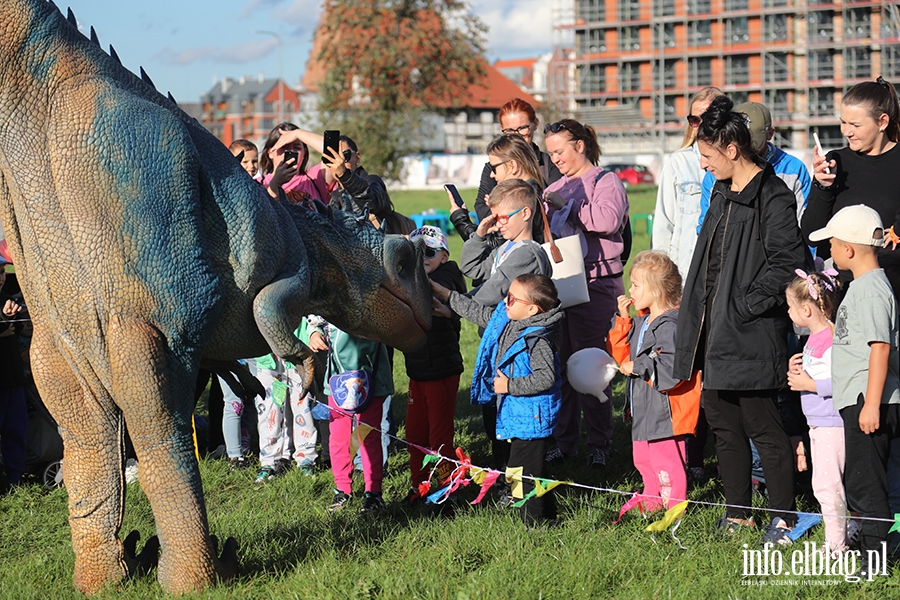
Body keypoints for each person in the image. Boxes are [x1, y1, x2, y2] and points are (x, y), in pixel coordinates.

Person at [672, 95, 808, 544]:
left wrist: (744, 305)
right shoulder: (720, 190)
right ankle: (738, 514)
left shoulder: (774, 195)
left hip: (752, 333)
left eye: (708, 156)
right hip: (715, 333)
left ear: (732, 150)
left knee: (763, 428)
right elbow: (709, 261)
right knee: (723, 424)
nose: (704, 165)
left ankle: (784, 517)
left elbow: (789, 262)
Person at [432, 179, 551, 497]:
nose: (498, 223)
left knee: (514, 419)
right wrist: (480, 233)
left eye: (503, 217)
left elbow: (489, 294)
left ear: (525, 213)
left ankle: (518, 487)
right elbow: (473, 267)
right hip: (497, 341)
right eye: (495, 218)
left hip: (518, 349)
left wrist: (448, 299)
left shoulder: (527, 254)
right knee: (495, 415)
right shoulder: (505, 248)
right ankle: (506, 479)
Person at [808, 205, 900, 576]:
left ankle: (873, 562)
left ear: (848, 249)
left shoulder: (872, 290)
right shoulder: (862, 286)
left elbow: (880, 347)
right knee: (873, 481)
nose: (828, 249)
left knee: (865, 484)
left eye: (831, 242)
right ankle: (883, 549)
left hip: (869, 400)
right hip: (863, 399)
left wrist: (872, 404)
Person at [542, 118, 629, 468]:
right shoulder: (557, 186)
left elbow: (608, 220)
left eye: (559, 151)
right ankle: (564, 442)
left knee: (591, 369)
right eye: (550, 154)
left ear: (579, 145)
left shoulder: (606, 181)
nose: (556, 159)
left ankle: (599, 444)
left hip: (596, 285)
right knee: (562, 368)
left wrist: (570, 206)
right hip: (562, 286)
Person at [446, 274, 564, 525]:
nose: (505, 301)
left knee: (521, 473)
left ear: (532, 309)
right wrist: (447, 297)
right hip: (521, 416)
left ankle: (534, 523)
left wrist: (509, 385)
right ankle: (547, 516)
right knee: (531, 470)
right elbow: (482, 315)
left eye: (511, 298)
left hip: (532, 420)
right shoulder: (514, 323)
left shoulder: (538, 339)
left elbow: (546, 378)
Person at [608, 251, 700, 512]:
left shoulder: (670, 325)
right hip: (643, 407)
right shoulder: (642, 320)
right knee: (643, 458)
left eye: (636, 285)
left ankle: (673, 507)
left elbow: (672, 368)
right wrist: (623, 321)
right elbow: (623, 356)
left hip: (664, 410)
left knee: (666, 461)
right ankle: (652, 499)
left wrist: (639, 366)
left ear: (657, 291)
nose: (630, 290)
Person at [802, 77, 900, 294]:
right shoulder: (837, 162)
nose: (846, 131)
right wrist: (822, 185)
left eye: (855, 125)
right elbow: (810, 233)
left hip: (891, 291)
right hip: (841, 291)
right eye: (843, 122)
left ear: (882, 122)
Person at [785, 267, 858, 557]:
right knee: (836, 484)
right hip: (820, 425)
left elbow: (841, 380)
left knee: (827, 487)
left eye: (791, 307)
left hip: (831, 425)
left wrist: (809, 384)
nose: (788, 312)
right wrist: (798, 370)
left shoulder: (831, 339)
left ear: (806, 309)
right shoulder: (815, 340)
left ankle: (836, 546)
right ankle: (854, 529)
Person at [402, 226, 466, 501]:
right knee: (415, 434)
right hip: (418, 371)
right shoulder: (415, 277)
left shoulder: (446, 277)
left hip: (441, 370)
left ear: (444, 256)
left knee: (440, 436)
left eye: (429, 251)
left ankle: (445, 488)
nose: (423, 257)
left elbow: (424, 299)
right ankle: (420, 485)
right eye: (417, 252)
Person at [310, 319, 393, 513]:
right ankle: (342, 489)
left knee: (367, 436)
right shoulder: (329, 293)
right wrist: (313, 332)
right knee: (339, 437)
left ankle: (373, 493)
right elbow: (314, 315)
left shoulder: (373, 293)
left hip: (371, 378)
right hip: (339, 382)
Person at [698, 101, 811, 229]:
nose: (747, 150)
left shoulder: (794, 170)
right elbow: (705, 227)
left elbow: (805, 226)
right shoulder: (717, 172)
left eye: (752, 145)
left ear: (770, 134)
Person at [652, 86, 724, 276]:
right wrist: (661, 280)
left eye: (706, 119)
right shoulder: (678, 163)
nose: (699, 125)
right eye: (694, 120)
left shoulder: (736, 162)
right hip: (684, 274)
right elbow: (663, 225)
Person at [471, 98, 561, 225]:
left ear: (535, 123)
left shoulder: (550, 164)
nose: (516, 136)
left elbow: (553, 211)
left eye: (522, 128)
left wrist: (498, 208)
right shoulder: (492, 168)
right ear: (501, 128)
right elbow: (482, 211)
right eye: (509, 131)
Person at [450, 134, 547, 242]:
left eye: (494, 167)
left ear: (512, 165)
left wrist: (460, 219)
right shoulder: (533, 191)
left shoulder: (523, 197)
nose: (491, 174)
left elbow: (492, 248)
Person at [0, 261, 27, 492]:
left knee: (16, 429)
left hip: (12, 379)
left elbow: (17, 331)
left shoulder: (5, 299)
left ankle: (15, 479)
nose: (0, 278)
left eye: (1, 272)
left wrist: (12, 316)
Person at [257, 122, 330, 205]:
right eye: (284, 147)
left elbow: (336, 153)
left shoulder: (316, 178)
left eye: (297, 147)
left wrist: (298, 133)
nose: (291, 152)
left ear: (304, 153)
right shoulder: (258, 183)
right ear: (270, 153)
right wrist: (275, 183)